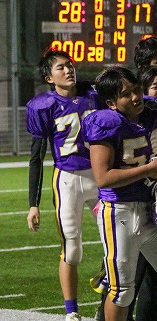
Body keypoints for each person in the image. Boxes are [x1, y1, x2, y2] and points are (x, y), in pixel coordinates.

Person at [82, 67, 157, 321]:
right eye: (126, 94)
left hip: (153, 210)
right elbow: (103, 177)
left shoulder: (151, 111)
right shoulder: (105, 123)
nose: (136, 97)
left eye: (137, 89)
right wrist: (149, 170)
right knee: (122, 291)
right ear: (111, 103)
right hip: (120, 213)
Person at [26, 49, 102, 321]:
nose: (68, 70)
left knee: (119, 238)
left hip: (100, 176)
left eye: (70, 65)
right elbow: (36, 157)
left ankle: (108, 287)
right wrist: (33, 204)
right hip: (68, 180)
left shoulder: (94, 94)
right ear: (49, 77)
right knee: (72, 250)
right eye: (61, 67)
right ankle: (72, 312)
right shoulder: (43, 106)